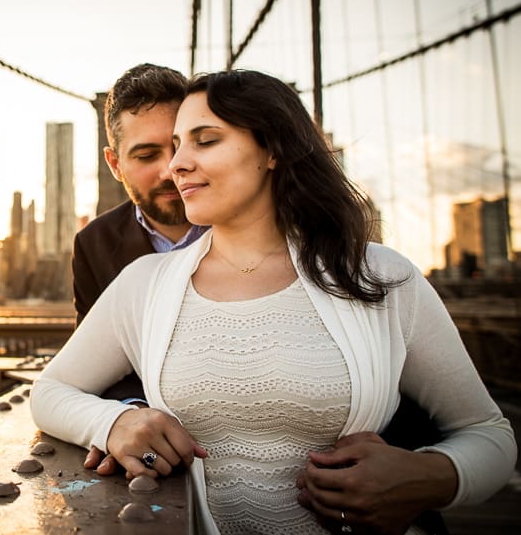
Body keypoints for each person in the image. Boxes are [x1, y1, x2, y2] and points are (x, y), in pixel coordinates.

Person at [32, 69, 516, 535]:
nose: (175, 164)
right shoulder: (143, 283)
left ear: (272, 149)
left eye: (204, 140)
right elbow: (50, 391)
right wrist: (114, 420)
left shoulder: (383, 276)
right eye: (175, 145)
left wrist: (429, 475)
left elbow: (489, 434)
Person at [71, 63, 208, 475]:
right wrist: (125, 417)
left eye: (182, 145)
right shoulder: (93, 244)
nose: (172, 169)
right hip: (166, 458)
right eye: (147, 155)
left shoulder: (250, 224)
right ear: (115, 165)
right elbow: (95, 369)